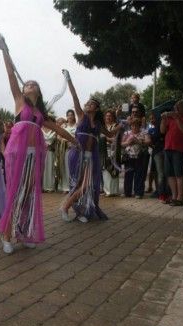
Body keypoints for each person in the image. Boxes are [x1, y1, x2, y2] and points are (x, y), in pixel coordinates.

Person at [0, 31, 78, 254]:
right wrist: (4, 49)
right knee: (15, 192)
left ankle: (23, 232)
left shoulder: (40, 114)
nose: (28, 85)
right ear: (23, 90)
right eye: (26, 84)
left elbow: (58, 129)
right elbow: (11, 74)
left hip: (33, 155)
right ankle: (6, 235)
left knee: (29, 193)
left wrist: (74, 141)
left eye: (33, 84)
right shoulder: (20, 102)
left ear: (38, 91)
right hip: (16, 153)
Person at [60, 70, 120, 223]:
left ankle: (81, 211)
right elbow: (75, 97)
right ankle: (66, 207)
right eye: (87, 103)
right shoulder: (81, 115)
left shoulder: (98, 124)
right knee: (78, 183)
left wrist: (120, 126)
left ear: (97, 108)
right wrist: (69, 79)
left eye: (91, 103)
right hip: (77, 154)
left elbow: (110, 134)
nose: (87, 104)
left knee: (87, 185)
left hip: (90, 157)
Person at [160, 100, 183, 206]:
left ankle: (180, 198)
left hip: (179, 149)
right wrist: (163, 120)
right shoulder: (170, 118)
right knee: (169, 174)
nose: (176, 109)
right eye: (175, 107)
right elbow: (162, 131)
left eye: (179, 107)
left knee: (179, 174)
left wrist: (176, 118)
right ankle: (174, 196)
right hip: (168, 148)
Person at [121, 118, 151, 198]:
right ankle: (127, 192)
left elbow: (148, 141)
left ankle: (138, 193)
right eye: (132, 125)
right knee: (128, 175)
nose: (134, 127)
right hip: (129, 157)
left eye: (136, 125)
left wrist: (138, 141)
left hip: (140, 157)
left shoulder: (144, 132)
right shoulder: (127, 133)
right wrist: (128, 142)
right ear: (130, 126)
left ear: (139, 126)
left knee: (139, 175)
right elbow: (121, 144)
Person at [56, 110, 77, 193]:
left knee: (74, 167)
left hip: (75, 149)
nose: (70, 117)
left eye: (71, 115)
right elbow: (58, 136)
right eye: (68, 115)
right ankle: (66, 187)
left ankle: (74, 186)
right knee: (66, 167)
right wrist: (65, 140)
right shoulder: (64, 126)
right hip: (65, 149)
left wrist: (73, 142)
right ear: (66, 117)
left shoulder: (77, 126)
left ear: (74, 116)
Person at [102, 109, 120, 196]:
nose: (108, 117)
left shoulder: (116, 126)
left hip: (114, 151)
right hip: (104, 150)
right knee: (105, 170)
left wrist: (107, 139)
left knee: (113, 170)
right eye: (107, 116)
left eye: (110, 116)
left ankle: (114, 191)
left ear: (113, 117)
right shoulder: (103, 127)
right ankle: (107, 190)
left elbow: (116, 139)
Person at [42, 124, 57, 192]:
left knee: (50, 168)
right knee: (43, 169)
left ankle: (50, 187)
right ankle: (43, 187)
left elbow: (56, 141)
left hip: (51, 151)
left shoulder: (54, 130)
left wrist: (51, 146)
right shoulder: (40, 129)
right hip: (42, 151)